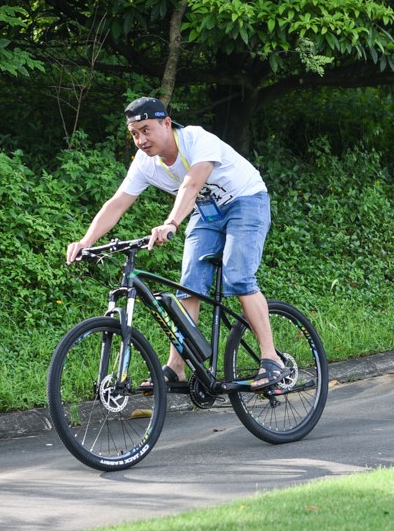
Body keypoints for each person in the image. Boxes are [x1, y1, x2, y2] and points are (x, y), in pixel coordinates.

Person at [66, 97, 283, 389]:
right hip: (207, 212)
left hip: (246, 200)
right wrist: (85, 241)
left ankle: (271, 360)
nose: (141, 140)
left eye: (146, 130)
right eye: (134, 134)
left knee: (239, 276)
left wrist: (172, 223)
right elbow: (117, 203)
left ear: (166, 123)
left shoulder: (196, 140)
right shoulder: (144, 163)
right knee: (188, 285)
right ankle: (176, 368)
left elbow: (191, 184)